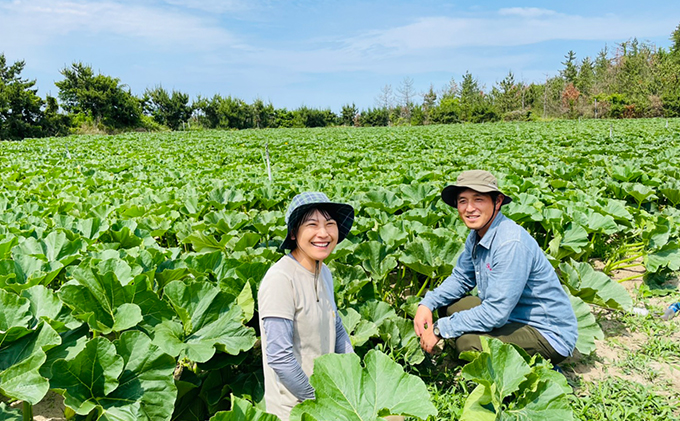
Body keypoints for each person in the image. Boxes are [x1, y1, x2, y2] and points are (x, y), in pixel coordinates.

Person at [413, 170, 578, 365]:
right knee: (449, 305)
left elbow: (495, 313)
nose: (469, 208)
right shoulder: (477, 234)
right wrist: (427, 303)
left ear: (497, 202)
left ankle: (538, 370)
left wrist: (440, 329)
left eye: (478, 199)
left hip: (546, 333)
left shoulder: (510, 243)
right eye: (463, 201)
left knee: (468, 344)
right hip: (510, 316)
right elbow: (461, 278)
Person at [258, 192, 355, 421]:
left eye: (329, 224)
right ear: (293, 233)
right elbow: (280, 358)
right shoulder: (280, 279)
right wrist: (318, 402)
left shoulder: (324, 272)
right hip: (296, 408)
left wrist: (355, 374)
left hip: (329, 395)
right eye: (312, 225)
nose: (323, 233)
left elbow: (336, 326)